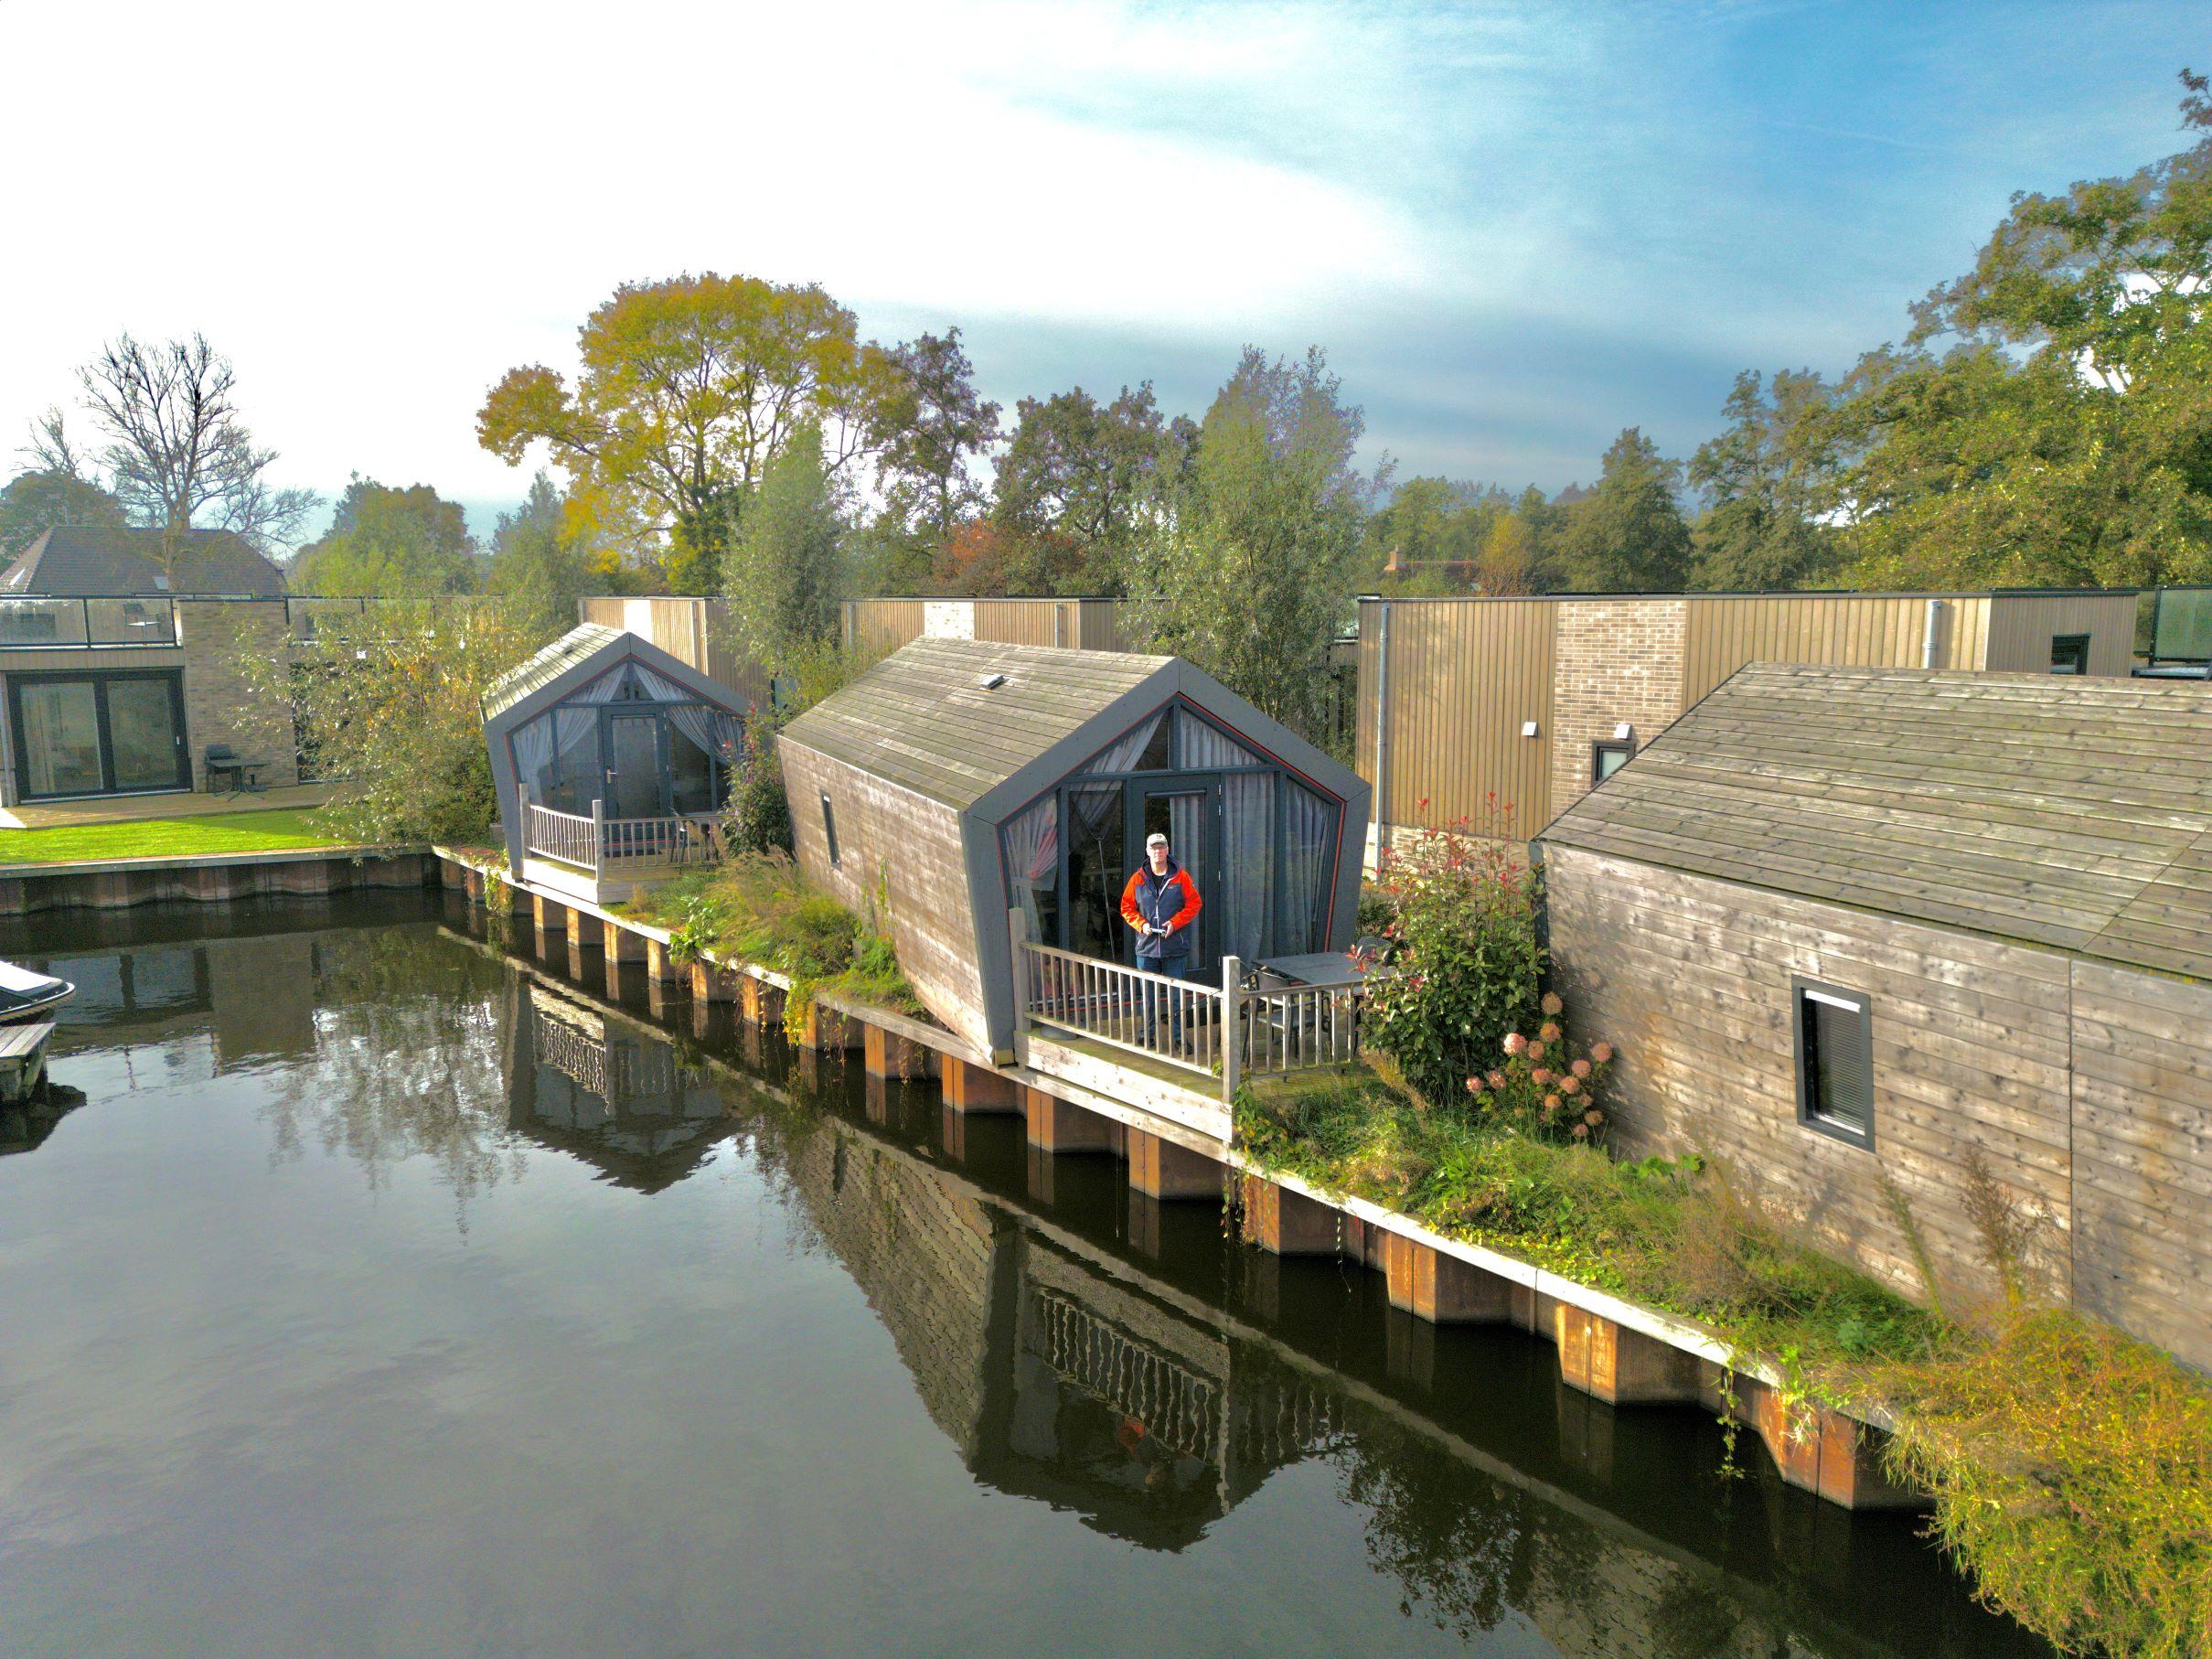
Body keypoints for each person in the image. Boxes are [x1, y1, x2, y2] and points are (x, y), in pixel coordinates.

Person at [1120, 831, 1202, 1052]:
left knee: (1176, 998)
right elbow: (1126, 907)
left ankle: (1179, 1038)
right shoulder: (1137, 878)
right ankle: (1147, 1035)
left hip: (1174, 947)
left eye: (1161, 847)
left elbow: (1194, 904)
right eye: (1153, 848)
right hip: (1146, 949)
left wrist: (1175, 923)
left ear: (1167, 850)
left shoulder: (1181, 877)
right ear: (1147, 852)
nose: (1157, 851)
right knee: (1148, 997)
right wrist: (1141, 925)